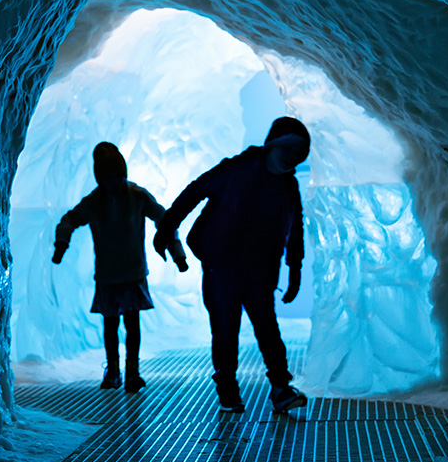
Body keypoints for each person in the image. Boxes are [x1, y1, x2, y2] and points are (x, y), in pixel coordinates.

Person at [153, 117, 311, 414]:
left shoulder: (288, 185)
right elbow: (196, 190)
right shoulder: (238, 168)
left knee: (267, 329)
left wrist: (295, 270)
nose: (293, 156)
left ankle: (280, 388)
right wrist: (167, 227)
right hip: (222, 263)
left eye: (299, 151)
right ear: (273, 147)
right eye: (288, 148)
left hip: (259, 269)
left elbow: (295, 228)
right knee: (225, 328)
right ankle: (227, 387)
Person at [53, 142, 188, 392]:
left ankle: (131, 372)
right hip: (111, 274)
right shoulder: (98, 201)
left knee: (129, 324)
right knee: (113, 324)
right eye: (106, 175)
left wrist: (177, 253)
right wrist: (61, 242)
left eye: (114, 174)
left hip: (129, 273)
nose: (112, 180)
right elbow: (70, 220)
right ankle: (116, 371)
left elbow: (163, 220)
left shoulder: (136, 196)